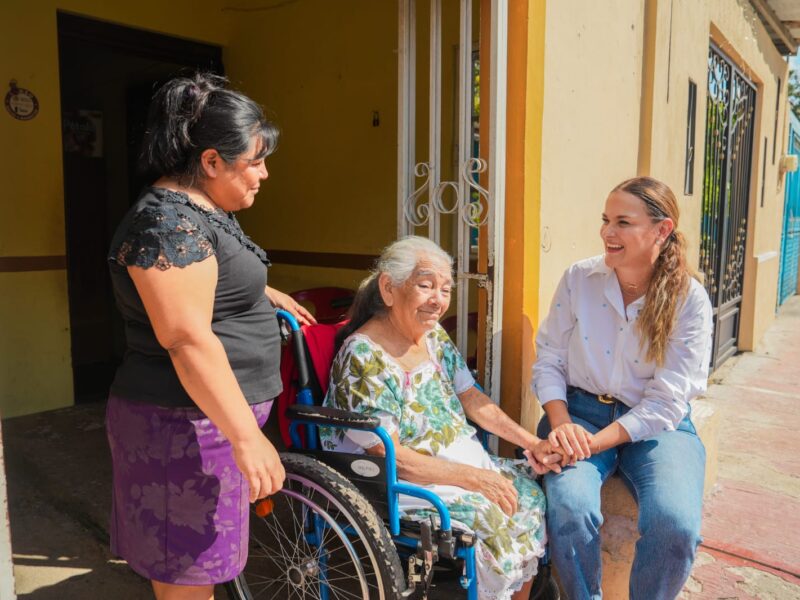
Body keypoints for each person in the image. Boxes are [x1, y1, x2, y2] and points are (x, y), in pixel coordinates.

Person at [105, 73, 315, 600]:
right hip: (182, 432)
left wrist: (263, 293)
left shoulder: (199, 212)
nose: (264, 174)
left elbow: (207, 280)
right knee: (188, 580)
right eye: (254, 161)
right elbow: (186, 339)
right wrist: (246, 436)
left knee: (206, 569)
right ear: (212, 162)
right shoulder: (164, 226)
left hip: (207, 425)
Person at [320, 235, 563, 600]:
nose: (438, 300)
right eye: (425, 285)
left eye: (446, 289)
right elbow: (390, 456)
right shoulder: (364, 357)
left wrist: (533, 443)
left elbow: (473, 398)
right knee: (492, 517)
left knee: (530, 496)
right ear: (388, 288)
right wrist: (473, 479)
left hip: (457, 468)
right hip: (402, 483)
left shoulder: (433, 337)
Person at [532, 176, 713, 600]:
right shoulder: (580, 278)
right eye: (605, 220)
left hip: (658, 429)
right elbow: (550, 359)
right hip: (577, 413)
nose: (607, 233)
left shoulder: (689, 299)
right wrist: (560, 425)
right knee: (570, 508)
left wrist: (593, 444)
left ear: (661, 230)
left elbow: (667, 401)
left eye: (623, 222)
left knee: (676, 524)